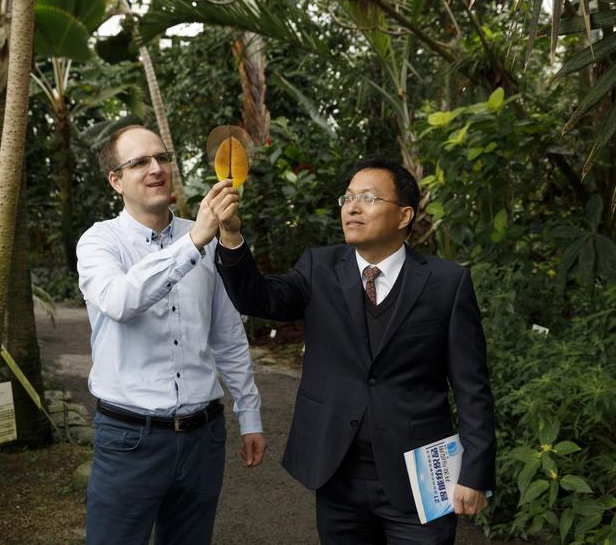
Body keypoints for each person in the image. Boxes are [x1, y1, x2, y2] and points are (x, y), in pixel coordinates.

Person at [214, 158, 495, 544]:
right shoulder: (319, 267)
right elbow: (257, 298)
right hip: (338, 475)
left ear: (404, 215)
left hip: (419, 481)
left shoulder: (447, 283)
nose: (352, 206)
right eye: (347, 197)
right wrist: (230, 236)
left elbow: (472, 388)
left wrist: (474, 473)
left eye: (368, 198)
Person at [77, 125, 267, 545]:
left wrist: (249, 413)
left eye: (162, 158)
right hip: (130, 439)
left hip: (203, 438)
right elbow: (121, 300)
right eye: (139, 162)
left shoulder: (209, 239)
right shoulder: (99, 242)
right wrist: (197, 238)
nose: (156, 168)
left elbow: (227, 333)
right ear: (116, 180)